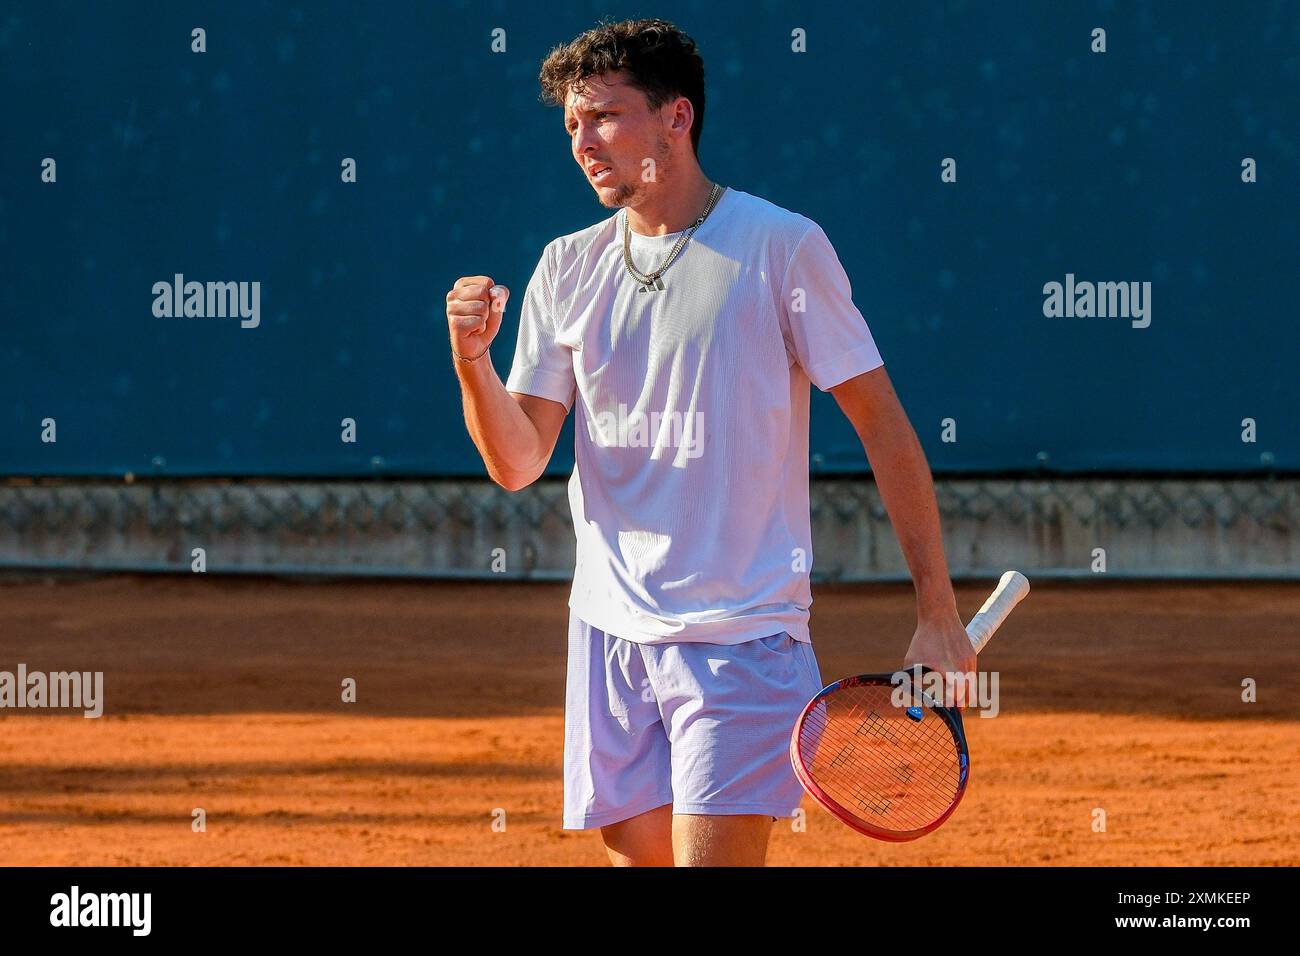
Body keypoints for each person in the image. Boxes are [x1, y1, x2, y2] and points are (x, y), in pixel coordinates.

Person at [446, 18, 973, 866]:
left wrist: (937, 610)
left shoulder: (781, 248)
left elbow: (885, 426)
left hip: (742, 637)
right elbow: (517, 462)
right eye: (572, 124)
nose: (583, 142)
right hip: (609, 634)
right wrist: (473, 364)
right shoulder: (564, 268)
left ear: (676, 118)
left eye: (606, 117)